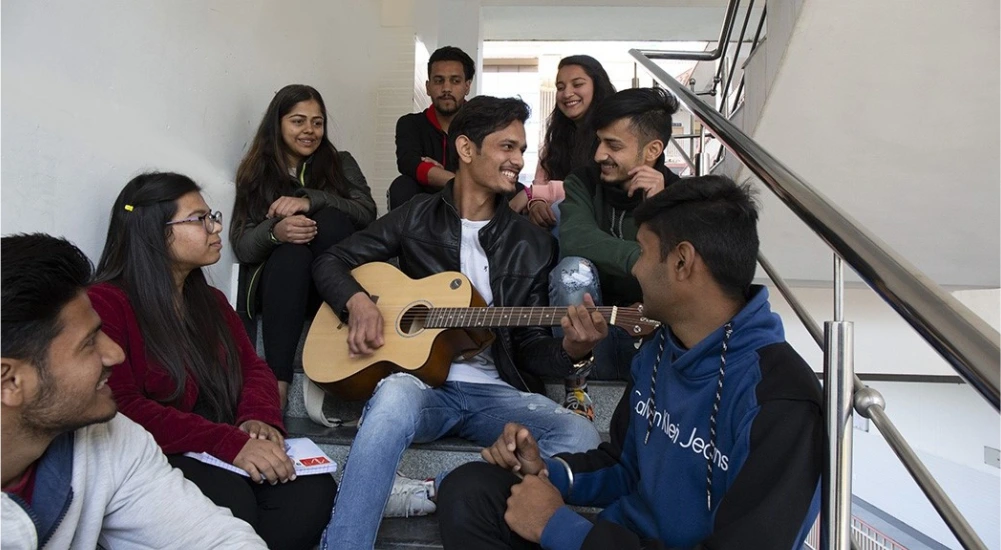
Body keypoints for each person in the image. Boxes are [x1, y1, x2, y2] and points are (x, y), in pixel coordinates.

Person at [437, 175, 824, 550]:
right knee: (471, 491)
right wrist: (547, 471)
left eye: (642, 251)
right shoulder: (661, 347)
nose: (634, 268)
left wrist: (559, 528)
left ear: (682, 261)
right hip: (617, 537)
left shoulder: (780, 400)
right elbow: (622, 465)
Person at [313, 96, 606, 550]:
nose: (518, 161)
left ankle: (438, 487)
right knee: (392, 395)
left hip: (495, 394)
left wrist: (573, 351)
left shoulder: (533, 243)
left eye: (522, 149)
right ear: (467, 149)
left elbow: (529, 346)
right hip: (423, 385)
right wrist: (356, 302)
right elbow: (331, 260)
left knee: (581, 433)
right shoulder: (416, 217)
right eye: (507, 147)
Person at [89, 172, 337, 550]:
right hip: (159, 453)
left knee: (310, 489)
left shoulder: (212, 302)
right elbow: (122, 407)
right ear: (155, 233)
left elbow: (253, 368)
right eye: (200, 219)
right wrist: (229, 442)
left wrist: (259, 419)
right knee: (230, 500)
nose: (216, 227)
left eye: (212, 216)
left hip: (218, 445)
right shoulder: (107, 303)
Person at [1, 233, 268, 549]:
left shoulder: (109, 437)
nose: (115, 354)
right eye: (88, 343)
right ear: (10, 382)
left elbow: (217, 539)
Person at [231, 84, 376, 408]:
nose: (309, 130)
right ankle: (278, 382)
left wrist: (311, 201)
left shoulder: (340, 163)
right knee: (291, 254)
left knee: (333, 219)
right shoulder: (256, 173)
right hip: (283, 288)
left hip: (334, 288)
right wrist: (276, 232)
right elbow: (243, 245)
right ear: (277, 123)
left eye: (317, 122)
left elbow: (367, 213)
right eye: (298, 121)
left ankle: (340, 351)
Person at [553, 87, 683, 420]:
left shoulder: (682, 197)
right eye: (599, 142)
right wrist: (642, 260)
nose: (599, 154)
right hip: (595, 332)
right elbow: (576, 239)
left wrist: (658, 209)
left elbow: (678, 272)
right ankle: (577, 390)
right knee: (572, 270)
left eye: (613, 145)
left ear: (652, 150)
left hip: (651, 335)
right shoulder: (583, 182)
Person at [510, 55, 615, 231]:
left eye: (577, 84)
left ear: (597, 86)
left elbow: (598, 189)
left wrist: (533, 193)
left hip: (601, 221)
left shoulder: (613, 133)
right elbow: (540, 185)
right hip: (560, 224)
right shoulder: (556, 138)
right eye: (560, 87)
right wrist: (536, 203)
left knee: (560, 210)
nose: (567, 93)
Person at [388, 46, 473, 210]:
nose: (446, 88)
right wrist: (457, 181)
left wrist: (433, 172)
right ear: (428, 87)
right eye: (439, 81)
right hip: (426, 206)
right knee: (402, 185)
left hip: (472, 202)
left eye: (455, 81)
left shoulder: (482, 126)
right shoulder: (411, 124)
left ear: (467, 86)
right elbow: (408, 163)